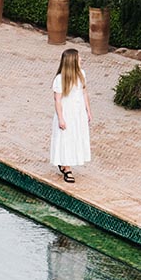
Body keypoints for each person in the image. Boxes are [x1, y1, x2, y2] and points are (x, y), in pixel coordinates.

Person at [50, 48, 91, 184]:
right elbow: (58, 100)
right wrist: (61, 118)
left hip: (78, 112)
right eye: (79, 58)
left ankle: (66, 163)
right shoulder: (60, 79)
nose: (81, 59)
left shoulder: (81, 74)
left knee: (75, 137)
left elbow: (84, 93)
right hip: (67, 112)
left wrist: (88, 110)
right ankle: (67, 168)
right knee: (66, 138)